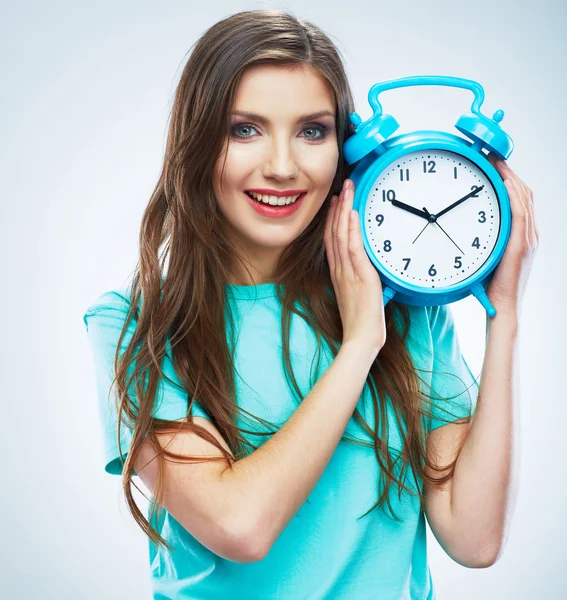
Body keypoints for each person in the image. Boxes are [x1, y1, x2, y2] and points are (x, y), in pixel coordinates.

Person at [82, 8, 539, 600]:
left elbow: (473, 539)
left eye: (312, 131)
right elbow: (240, 526)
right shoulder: (135, 322)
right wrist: (358, 347)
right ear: (197, 143)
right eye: (244, 129)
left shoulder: (404, 302)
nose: (282, 166)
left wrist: (504, 315)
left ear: (342, 147)